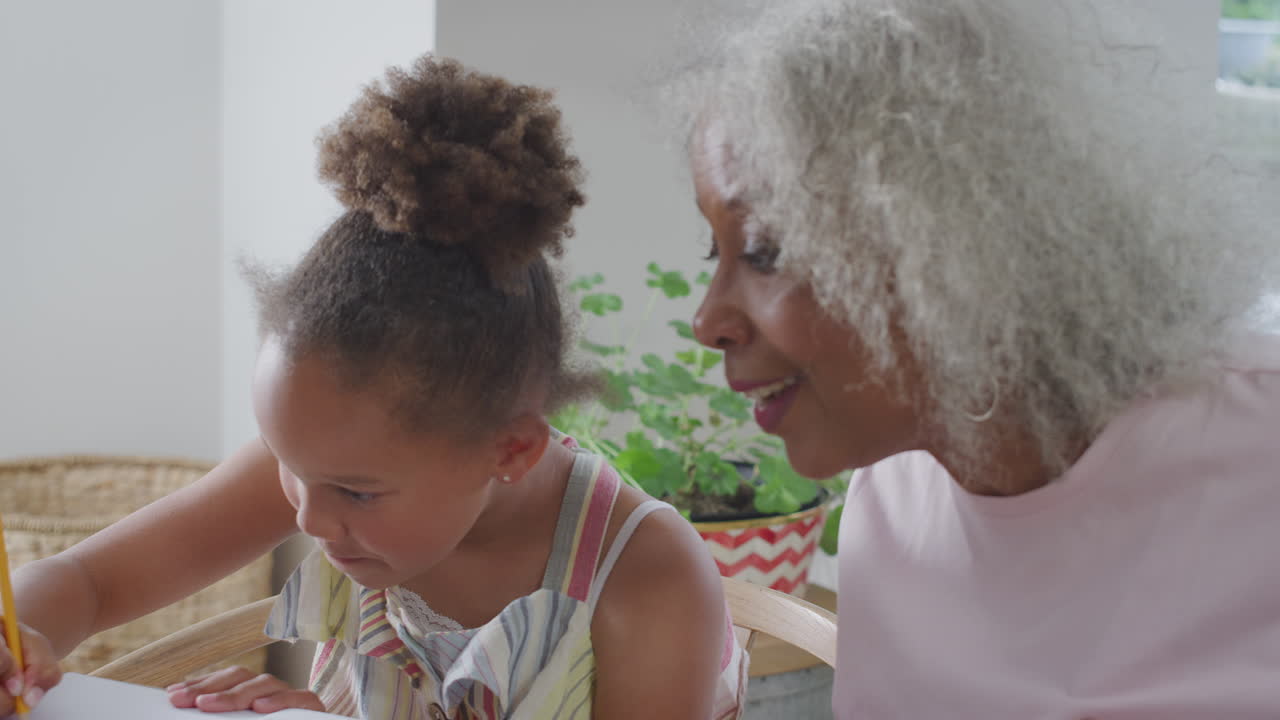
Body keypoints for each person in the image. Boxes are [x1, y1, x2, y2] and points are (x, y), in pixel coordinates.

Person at [2, 55, 746, 720]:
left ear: (510, 449)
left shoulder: (647, 582)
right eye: (289, 462)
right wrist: (22, 638)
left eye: (357, 494)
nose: (311, 520)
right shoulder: (328, 467)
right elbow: (84, 581)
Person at [675, 0, 1280, 717]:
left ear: (955, 244)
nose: (707, 321)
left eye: (766, 251)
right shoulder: (889, 505)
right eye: (717, 252)